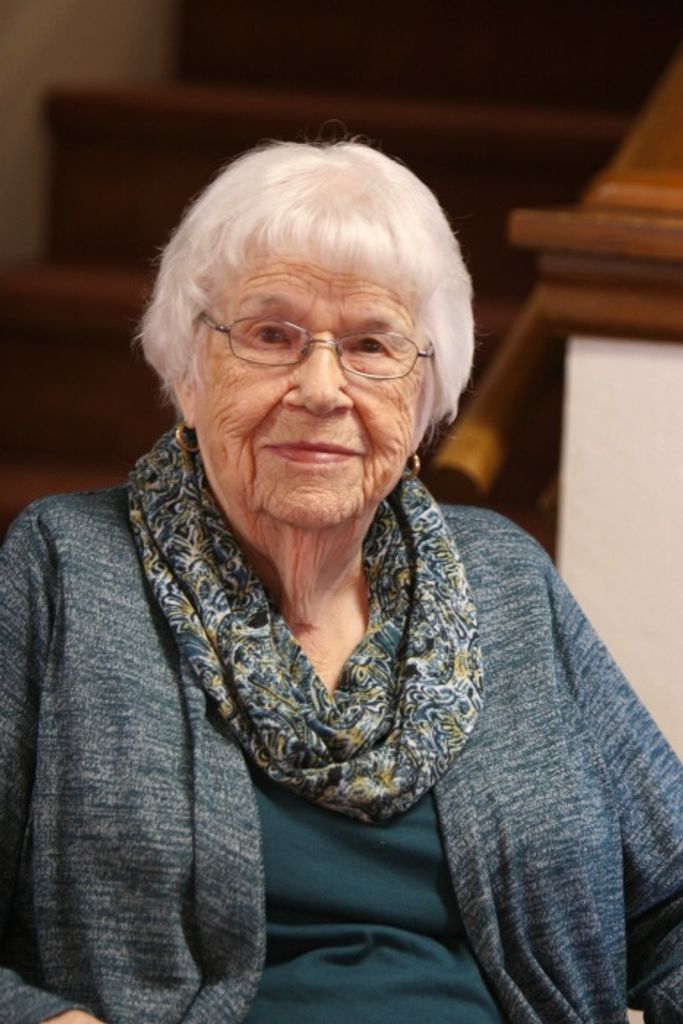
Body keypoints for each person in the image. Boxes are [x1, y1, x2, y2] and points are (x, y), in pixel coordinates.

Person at [0, 140, 681, 1024]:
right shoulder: (66, 569)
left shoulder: (505, 581)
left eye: (370, 344)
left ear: (424, 395)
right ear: (188, 372)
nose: (321, 388)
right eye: (270, 335)